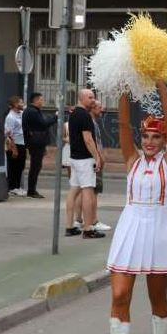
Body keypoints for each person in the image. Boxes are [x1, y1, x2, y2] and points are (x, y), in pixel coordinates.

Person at [106, 81, 167, 334]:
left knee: (157, 298)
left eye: (156, 136)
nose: (149, 141)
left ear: (164, 139)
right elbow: (123, 123)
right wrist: (124, 85)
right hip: (130, 226)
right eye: (146, 136)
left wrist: (163, 89)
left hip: (158, 230)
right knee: (120, 294)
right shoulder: (132, 160)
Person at [64, 89, 105, 239]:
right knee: (87, 191)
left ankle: (69, 226)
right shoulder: (85, 116)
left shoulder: (73, 114)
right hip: (85, 159)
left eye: (93, 97)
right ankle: (88, 228)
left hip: (74, 158)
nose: (93, 100)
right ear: (81, 98)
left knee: (73, 190)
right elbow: (88, 139)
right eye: (90, 97)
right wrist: (97, 157)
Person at [21, 92, 57, 199]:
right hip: (36, 142)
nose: (42, 101)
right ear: (35, 100)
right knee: (35, 166)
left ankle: (32, 189)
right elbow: (43, 123)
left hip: (36, 142)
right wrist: (55, 117)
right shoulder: (32, 111)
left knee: (36, 166)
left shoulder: (32, 111)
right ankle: (31, 190)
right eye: (41, 99)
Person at [4, 96, 27, 196]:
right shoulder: (10, 117)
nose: (22, 104)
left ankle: (17, 186)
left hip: (22, 143)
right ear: (14, 105)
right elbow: (9, 134)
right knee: (13, 166)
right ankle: (13, 187)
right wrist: (14, 149)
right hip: (15, 143)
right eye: (20, 103)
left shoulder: (21, 114)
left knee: (20, 166)